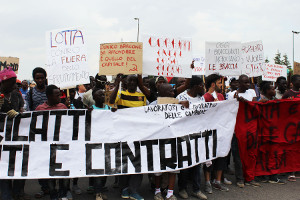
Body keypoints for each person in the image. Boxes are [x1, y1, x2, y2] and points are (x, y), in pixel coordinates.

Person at [149, 83, 189, 200]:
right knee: (158, 169)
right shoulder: (153, 105)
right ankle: (157, 192)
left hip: (173, 140)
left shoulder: (178, 104)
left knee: (174, 168)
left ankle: (170, 193)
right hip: (159, 142)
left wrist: (183, 105)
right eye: (170, 92)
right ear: (162, 93)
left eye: (173, 91)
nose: (173, 93)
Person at [109, 74, 146, 200]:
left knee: (138, 162)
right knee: (124, 162)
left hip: (137, 134)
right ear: (125, 82)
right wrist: (117, 84)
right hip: (123, 134)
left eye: (134, 81)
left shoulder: (141, 96)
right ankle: (124, 189)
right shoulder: (120, 94)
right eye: (129, 80)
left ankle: (134, 190)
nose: (132, 83)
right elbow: (111, 101)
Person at [35, 85, 69, 200]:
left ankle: (63, 194)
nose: (60, 97)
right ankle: (53, 194)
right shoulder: (40, 109)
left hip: (61, 145)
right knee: (50, 173)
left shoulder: (63, 107)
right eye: (57, 95)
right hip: (47, 147)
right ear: (49, 96)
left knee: (62, 172)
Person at [176, 76, 207, 200]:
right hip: (184, 136)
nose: (203, 88)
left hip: (198, 135)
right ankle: (182, 188)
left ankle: (196, 189)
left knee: (197, 163)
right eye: (201, 85)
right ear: (195, 86)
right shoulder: (181, 97)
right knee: (185, 164)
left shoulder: (202, 98)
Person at [227, 74, 259, 188]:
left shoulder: (251, 92)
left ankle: (250, 177)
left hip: (250, 128)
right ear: (239, 83)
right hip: (237, 130)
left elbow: (254, 106)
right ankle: (240, 178)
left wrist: (244, 101)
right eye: (245, 83)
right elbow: (229, 110)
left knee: (251, 154)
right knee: (238, 156)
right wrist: (236, 100)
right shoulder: (231, 95)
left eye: (248, 82)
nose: (248, 85)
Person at [0, 67, 26, 200]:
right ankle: (6, 194)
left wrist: (20, 114)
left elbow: (22, 109)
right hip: (2, 138)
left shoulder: (16, 95)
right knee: (3, 165)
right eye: (12, 82)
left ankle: (18, 191)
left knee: (18, 164)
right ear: (4, 82)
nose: (15, 85)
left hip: (16, 136)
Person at [25, 67, 49, 198]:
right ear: (34, 79)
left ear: (45, 77)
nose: (40, 80)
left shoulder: (51, 90)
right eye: (37, 78)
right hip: (38, 129)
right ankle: (44, 187)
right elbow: (28, 108)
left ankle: (53, 186)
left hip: (52, 129)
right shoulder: (30, 93)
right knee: (41, 159)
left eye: (42, 78)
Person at [282, 74, 300, 182]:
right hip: (291, 126)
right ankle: (291, 171)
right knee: (292, 149)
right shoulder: (287, 94)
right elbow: (281, 109)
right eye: (299, 80)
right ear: (293, 82)